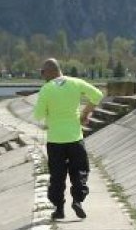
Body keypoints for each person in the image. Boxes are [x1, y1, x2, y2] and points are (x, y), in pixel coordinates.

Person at [33, 58, 104, 220]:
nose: (41, 75)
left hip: (55, 141)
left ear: (51, 71)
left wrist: (51, 111)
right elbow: (98, 95)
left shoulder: (46, 89)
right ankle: (78, 201)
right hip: (75, 139)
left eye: (43, 72)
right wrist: (85, 113)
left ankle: (59, 209)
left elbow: (38, 115)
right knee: (79, 172)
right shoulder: (76, 83)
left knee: (57, 176)